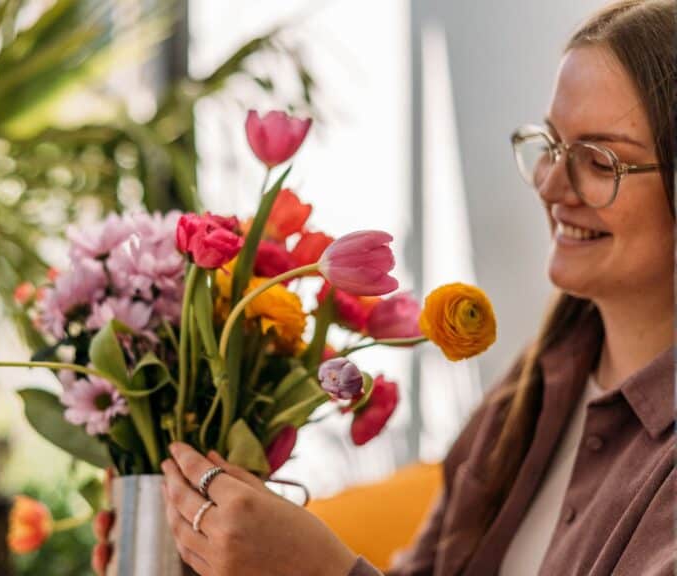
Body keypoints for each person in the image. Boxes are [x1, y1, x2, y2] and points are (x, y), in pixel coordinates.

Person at [130, 1, 674, 575]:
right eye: (553, 144)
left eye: (600, 160)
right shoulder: (534, 389)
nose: (550, 182)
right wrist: (200, 542)